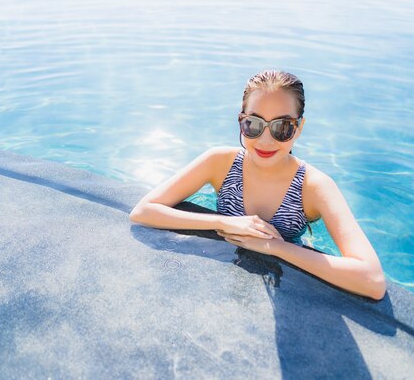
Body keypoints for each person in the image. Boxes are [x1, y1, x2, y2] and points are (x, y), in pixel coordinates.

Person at [129, 70, 386, 300]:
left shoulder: (314, 186)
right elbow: (143, 211)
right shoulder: (220, 162)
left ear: (299, 128)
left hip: (287, 288)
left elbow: (372, 280)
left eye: (282, 127)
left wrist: (275, 246)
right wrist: (223, 222)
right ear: (241, 120)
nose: (265, 140)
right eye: (253, 124)